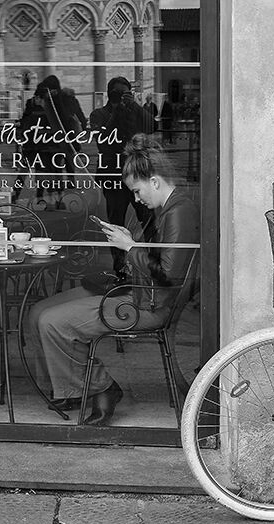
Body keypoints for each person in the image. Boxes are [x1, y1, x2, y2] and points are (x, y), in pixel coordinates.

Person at [26, 135, 199, 426]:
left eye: (137, 190)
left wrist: (129, 247)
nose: (135, 198)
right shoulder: (168, 208)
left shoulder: (179, 211)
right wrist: (130, 241)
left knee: (51, 321)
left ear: (155, 181)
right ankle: (67, 388)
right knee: (37, 313)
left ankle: (102, 388)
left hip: (149, 306)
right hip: (139, 295)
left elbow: (169, 274)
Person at [88, 77, 154, 277]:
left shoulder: (133, 110)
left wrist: (134, 105)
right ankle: (119, 268)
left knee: (149, 220)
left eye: (124, 93)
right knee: (115, 224)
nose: (120, 97)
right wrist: (117, 110)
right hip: (113, 175)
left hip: (136, 175)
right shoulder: (99, 114)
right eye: (117, 93)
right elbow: (102, 140)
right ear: (109, 94)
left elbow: (151, 127)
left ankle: (149, 264)